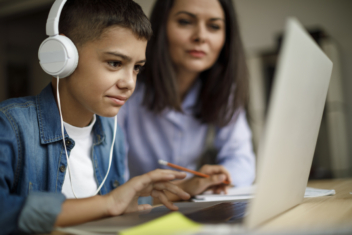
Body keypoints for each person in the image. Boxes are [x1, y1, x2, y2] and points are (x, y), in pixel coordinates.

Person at [0, 1, 191, 234]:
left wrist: (189, 187)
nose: (129, 83)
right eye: (115, 63)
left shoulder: (111, 130)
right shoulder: (10, 125)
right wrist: (108, 203)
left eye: (137, 67)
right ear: (62, 56)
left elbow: (119, 205)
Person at [117, 0, 256, 201]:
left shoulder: (222, 88)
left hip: (186, 202)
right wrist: (184, 186)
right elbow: (113, 182)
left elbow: (241, 160)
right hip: (134, 209)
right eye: (185, 22)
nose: (200, 36)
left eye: (214, 26)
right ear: (161, 27)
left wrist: (218, 178)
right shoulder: (126, 85)